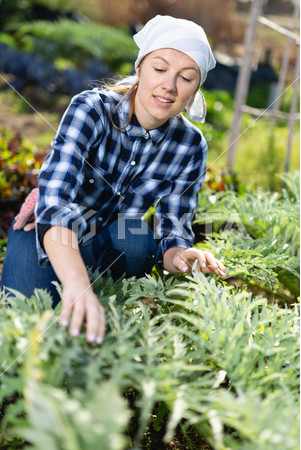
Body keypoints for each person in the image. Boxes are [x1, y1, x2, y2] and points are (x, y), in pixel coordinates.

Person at [1, 15, 227, 344]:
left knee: (138, 240)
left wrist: (179, 253)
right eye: (160, 69)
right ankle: (75, 282)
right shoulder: (91, 110)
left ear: (195, 89)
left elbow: (173, 225)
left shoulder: (190, 146)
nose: (169, 86)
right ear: (140, 69)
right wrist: (76, 283)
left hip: (113, 239)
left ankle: (92, 294)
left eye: (186, 77)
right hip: (54, 229)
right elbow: (54, 204)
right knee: (21, 326)